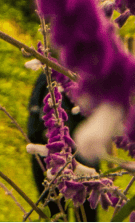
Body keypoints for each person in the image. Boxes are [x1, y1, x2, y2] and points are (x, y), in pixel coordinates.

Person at [27, 70, 99, 221]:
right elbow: (33, 126)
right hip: (52, 159)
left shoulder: (86, 78)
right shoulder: (46, 77)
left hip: (74, 157)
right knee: (57, 213)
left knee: (82, 214)